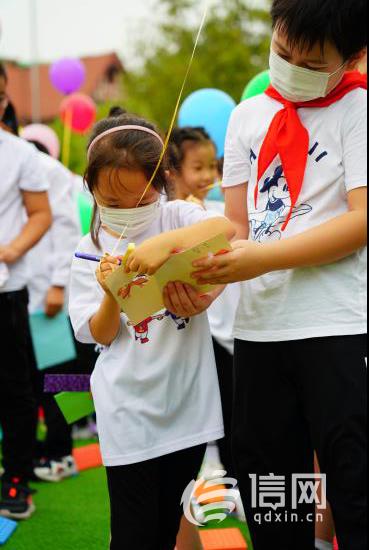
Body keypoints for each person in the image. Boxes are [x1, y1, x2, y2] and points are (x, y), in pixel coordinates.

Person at [191, 1, 368, 549]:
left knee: (354, 483)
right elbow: (237, 225)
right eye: (282, 52)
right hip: (261, 331)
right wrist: (202, 279)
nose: (291, 68)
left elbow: (362, 220)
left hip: (337, 326)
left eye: (311, 64)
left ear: (353, 57)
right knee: (276, 492)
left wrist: (263, 259)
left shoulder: (357, 110)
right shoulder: (248, 117)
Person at [68, 108, 235, 550]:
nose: (128, 212)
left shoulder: (177, 217)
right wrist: (111, 293)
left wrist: (163, 245)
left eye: (141, 199)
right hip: (128, 411)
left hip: (187, 407)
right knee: (134, 532)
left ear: (161, 183)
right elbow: (99, 334)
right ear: (92, 190)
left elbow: (226, 227)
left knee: (166, 526)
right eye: (113, 202)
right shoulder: (89, 250)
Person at [0, 62, 52, 519]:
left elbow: (46, 218)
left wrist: (12, 251)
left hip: (24, 296)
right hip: (43, 296)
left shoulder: (22, 156)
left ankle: (28, 468)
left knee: (34, 385)